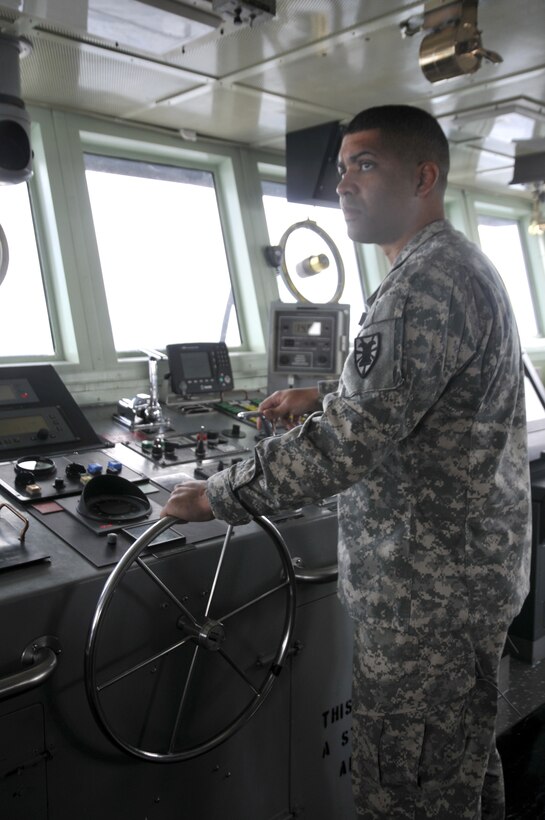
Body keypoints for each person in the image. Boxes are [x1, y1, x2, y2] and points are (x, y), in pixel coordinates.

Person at [161, 105, 531, 819]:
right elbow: (407, 393)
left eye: (365, 165)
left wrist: (215, 495)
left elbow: (345, 445)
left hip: (425, 600)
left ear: (423, 177)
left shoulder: (422, 283)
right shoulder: (450, 265)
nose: (342, 185)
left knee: (405, 791)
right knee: (458, 765)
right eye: (340, 169)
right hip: (462, 583)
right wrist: (326, 392)